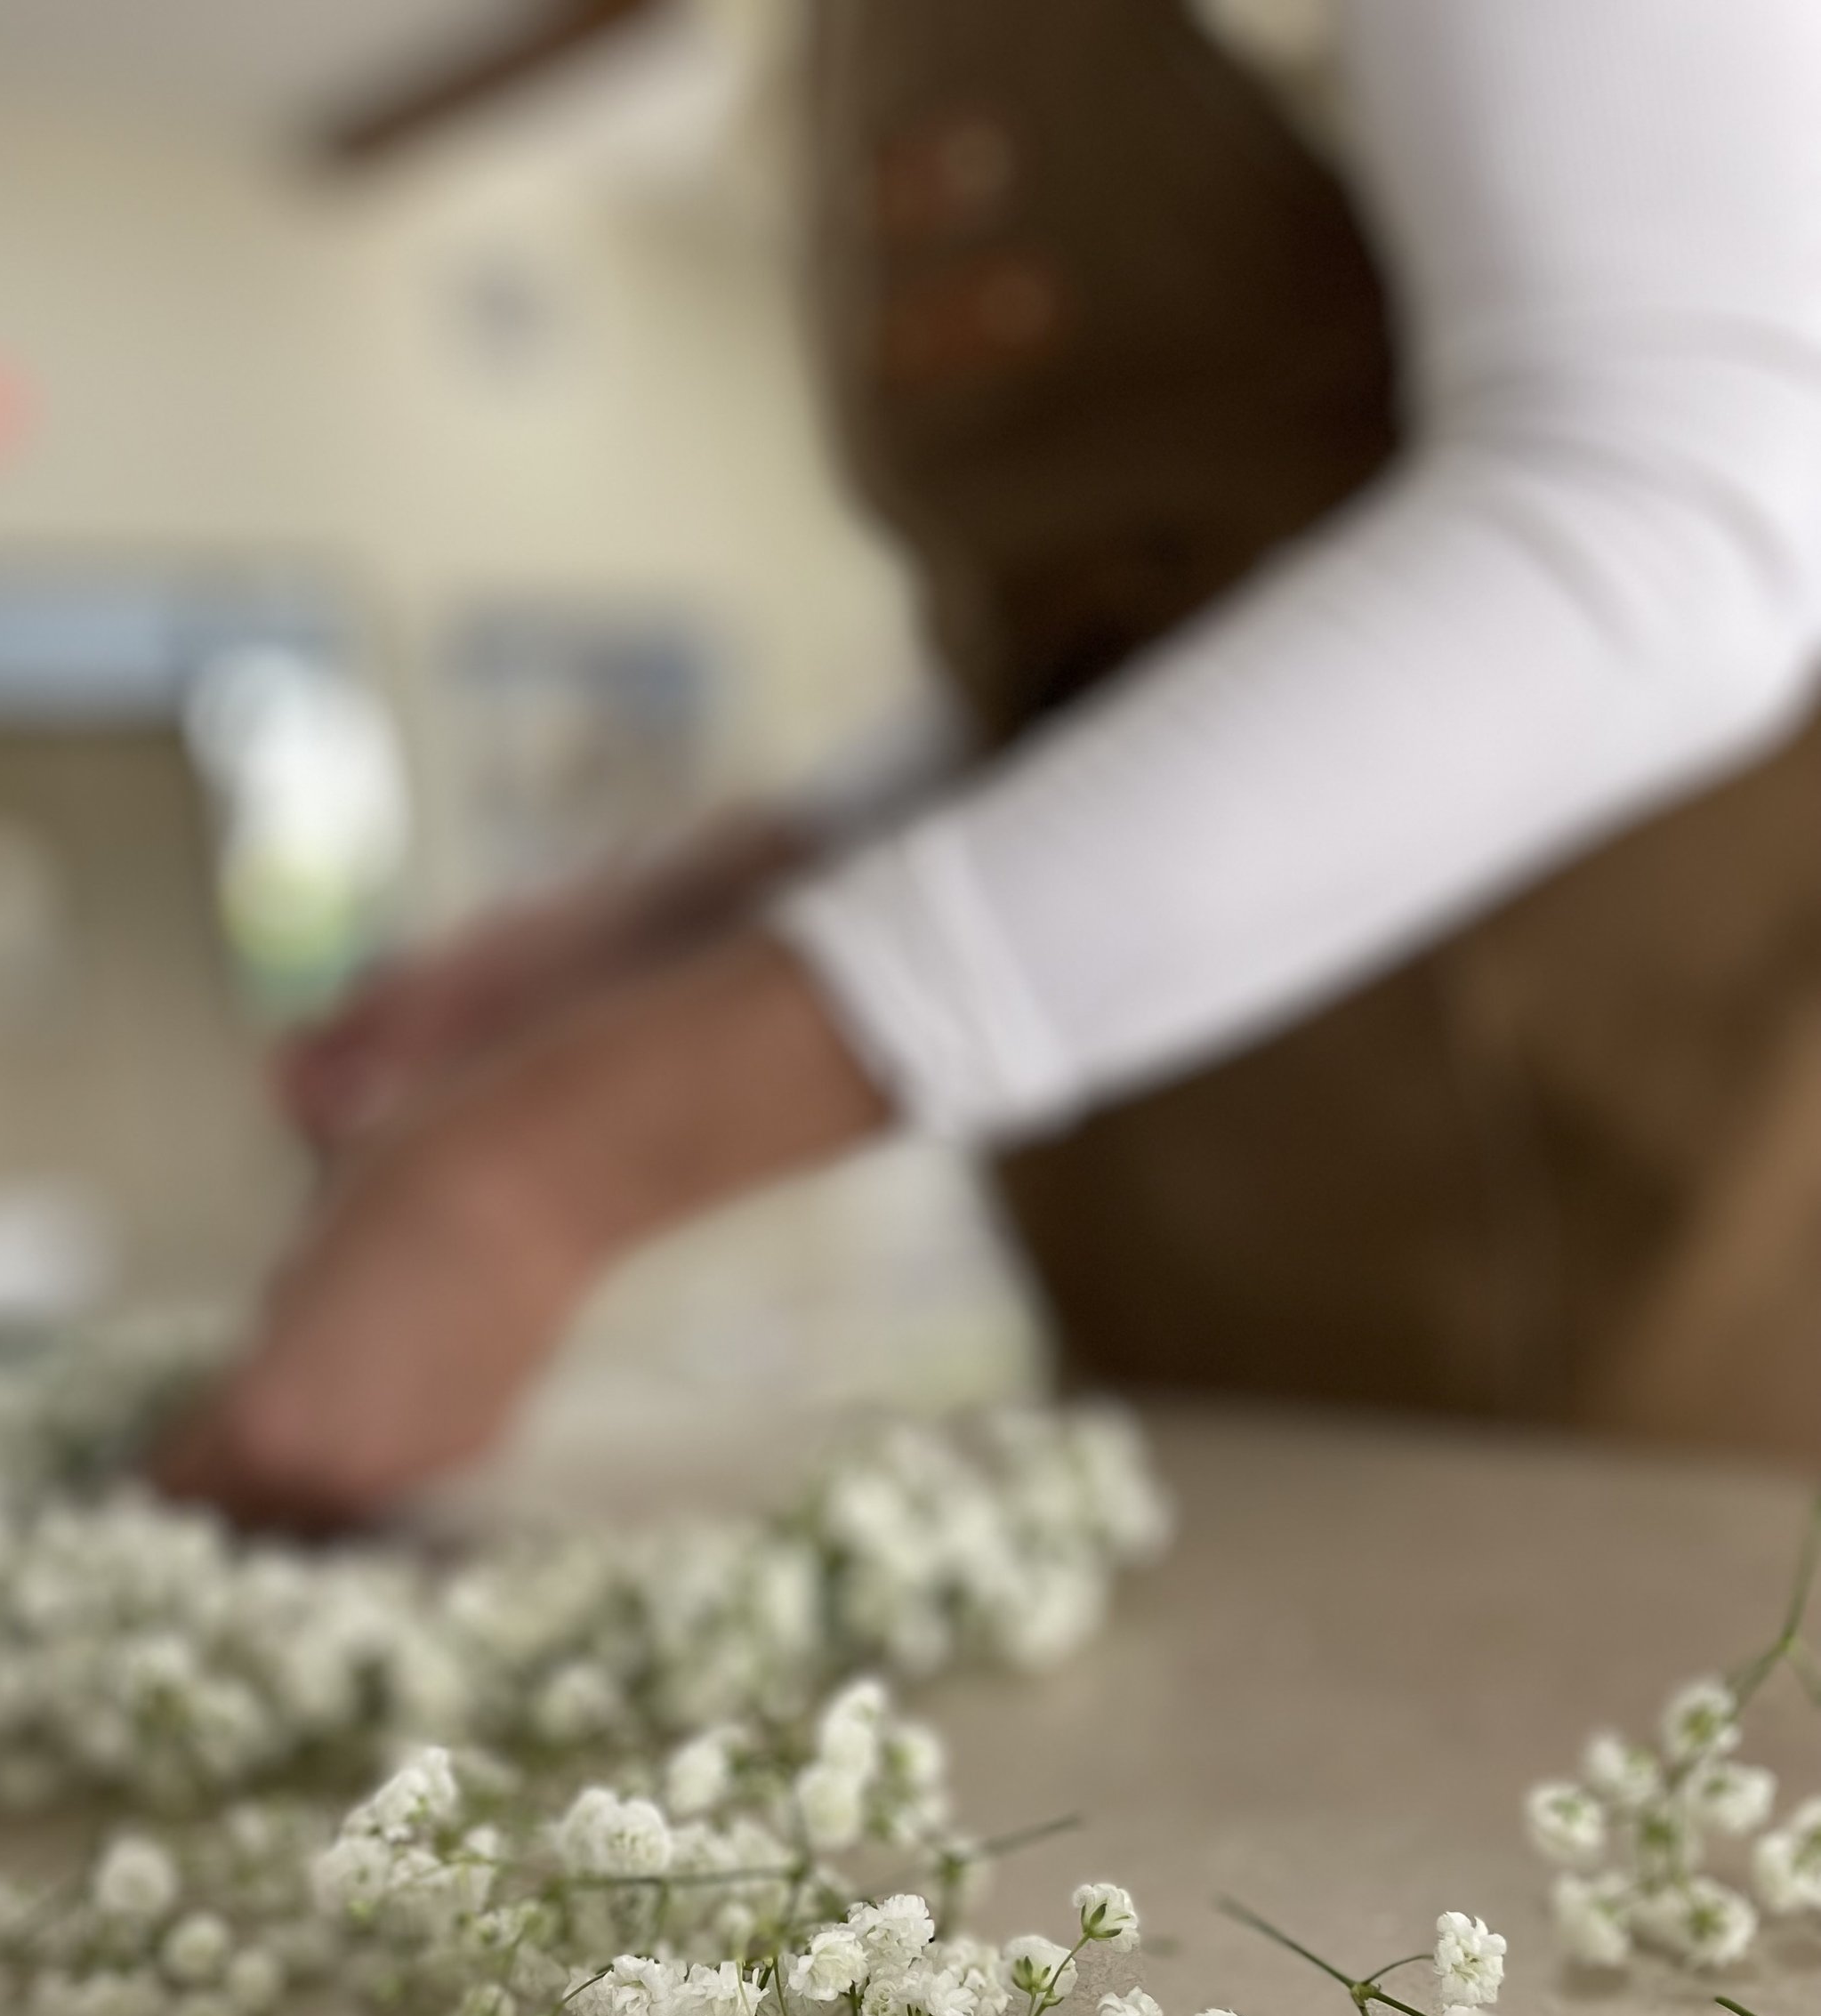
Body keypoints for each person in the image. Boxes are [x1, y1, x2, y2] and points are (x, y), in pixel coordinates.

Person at [157, 0, 1821, 1528]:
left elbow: (1677, 514)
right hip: (1199, 1325)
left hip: (1641, 1327)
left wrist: (567, 1155)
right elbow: (1140, 635)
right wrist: (723, 899)